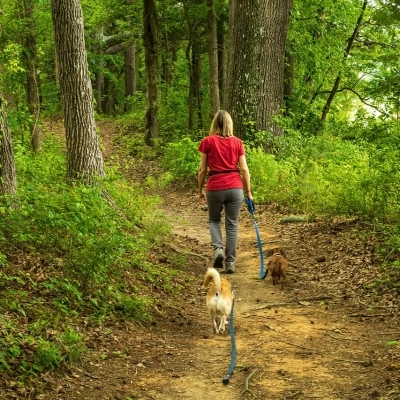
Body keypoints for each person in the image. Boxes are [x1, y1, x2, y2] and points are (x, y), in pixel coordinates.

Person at [197, 110, 253, 274]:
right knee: (232, 224)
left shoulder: (207, 142)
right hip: (235, 187)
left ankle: (218, 249)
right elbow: (244, 169)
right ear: (230, 123)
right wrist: (248, 191)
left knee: (214, 221)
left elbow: (202, 170)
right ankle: (230, 263)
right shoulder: (238, 142)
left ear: (215, 123)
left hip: (215, 187)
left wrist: (199, 191)